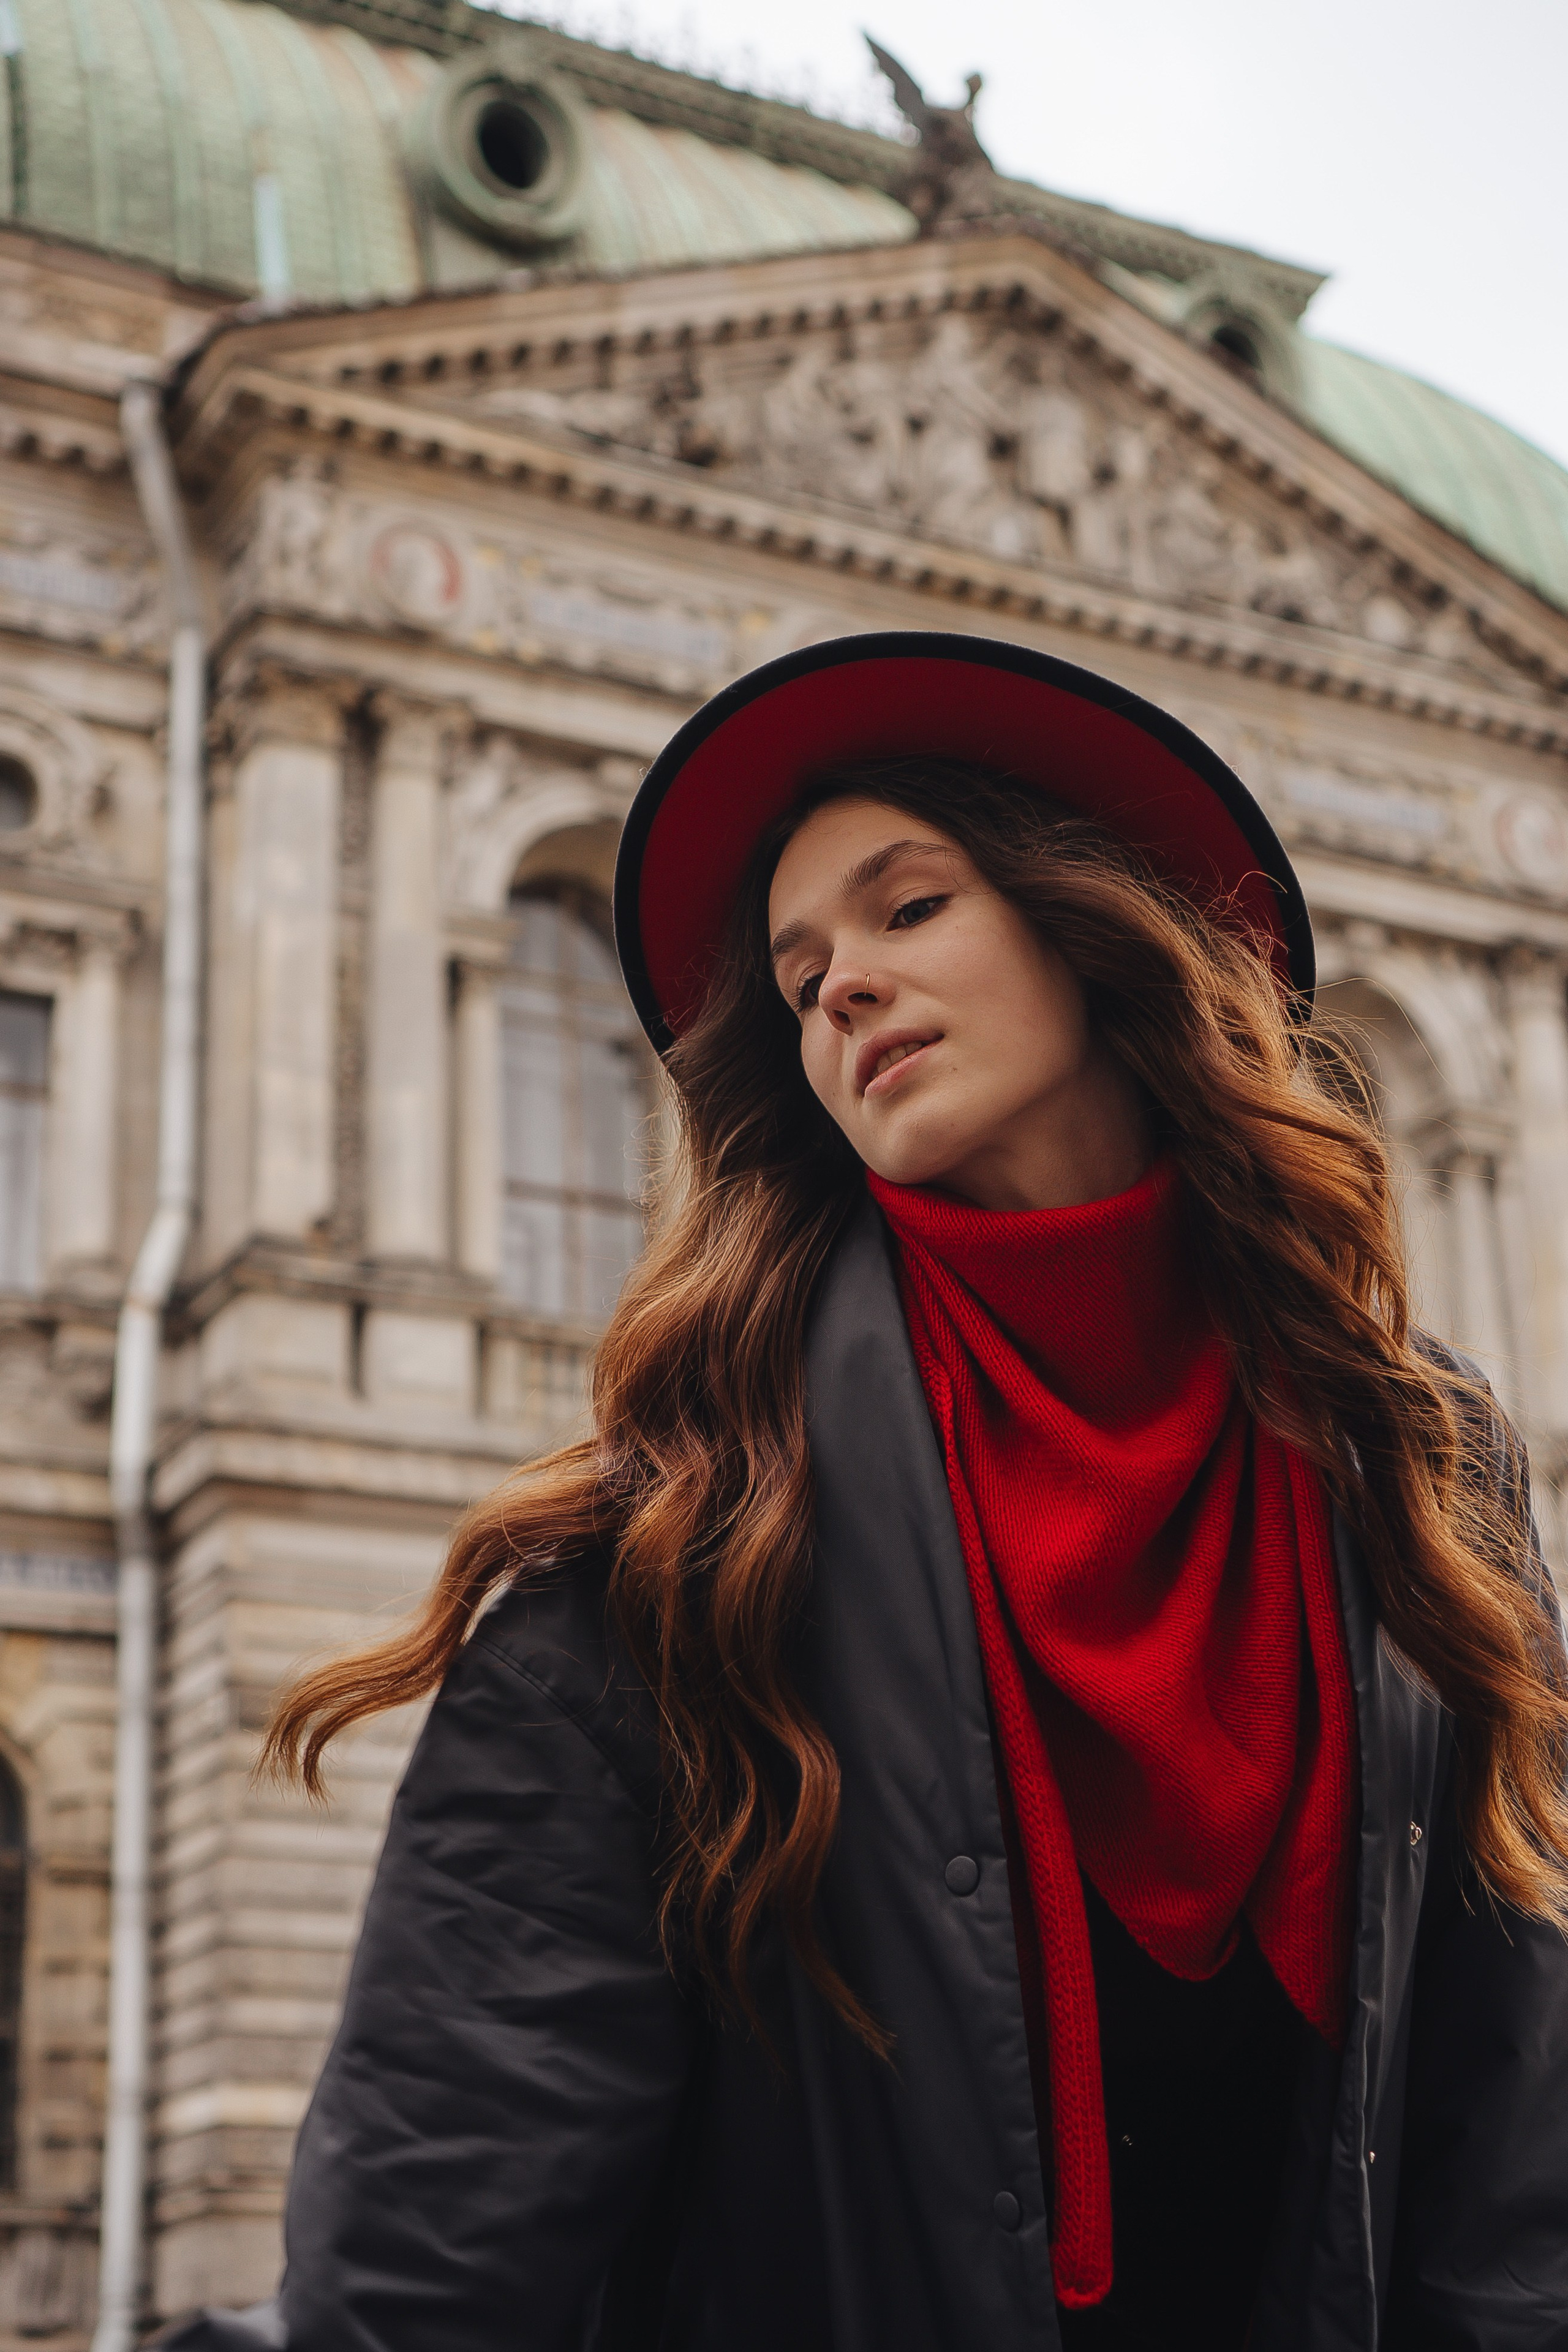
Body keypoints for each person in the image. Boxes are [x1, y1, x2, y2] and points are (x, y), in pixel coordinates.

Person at [207, 633, 1568, 2351]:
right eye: (796, 979)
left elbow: (1512, 2142)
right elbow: (442, 2228)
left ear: (1098, 927)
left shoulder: (1424, 1468)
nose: (838, 986)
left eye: (907, 908)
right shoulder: (683, 1529)